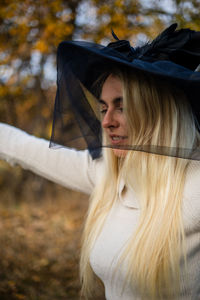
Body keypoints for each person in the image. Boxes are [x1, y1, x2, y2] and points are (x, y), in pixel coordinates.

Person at [0, 23, 200, 299]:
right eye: (104, 108)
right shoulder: (110, 176)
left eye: (122, 106)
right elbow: (29, 150)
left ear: (158, 110)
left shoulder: (195, 185)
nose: (106, 122)